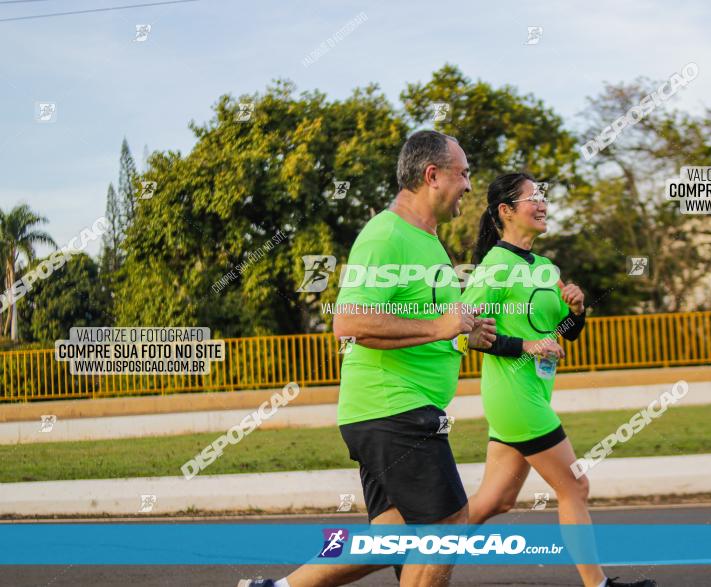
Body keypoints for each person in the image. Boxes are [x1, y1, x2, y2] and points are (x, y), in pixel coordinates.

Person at [239, 130, 496, 587]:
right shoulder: (386, 234)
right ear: (432, 175)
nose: (470, 185)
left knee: (393, 536)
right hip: (392, 407)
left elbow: (423, 324)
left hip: (390, 409)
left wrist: (462, 335)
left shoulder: (428, 241)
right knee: (446, 525)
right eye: (464, 173)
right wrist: (440, 327)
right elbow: (351, 322)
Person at [462, 172, 657, 587]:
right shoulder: (495, 267)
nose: (542, 204)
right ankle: (597, 584)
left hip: (533, 393)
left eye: (543, 197)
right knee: (575, 486)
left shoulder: (547, 268)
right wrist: (527, 347)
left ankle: (416, 558)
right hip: (514, 396)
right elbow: (471, 333)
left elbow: (563, 334)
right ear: (506, 211)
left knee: (493, 502)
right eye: (533, 198)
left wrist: (578, 309)